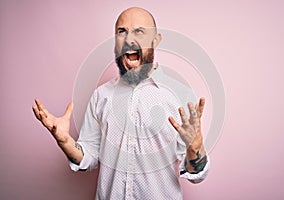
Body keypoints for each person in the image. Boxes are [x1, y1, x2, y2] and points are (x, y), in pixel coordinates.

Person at [32, 7, 210, 200]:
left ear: (155, 40)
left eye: (139, 31)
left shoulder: (179, 95)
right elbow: (89, 156)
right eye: (121, 32)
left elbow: (195, 174)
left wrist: (194, 148)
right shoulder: (101, 96)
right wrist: (65, 141)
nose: (129, 40)